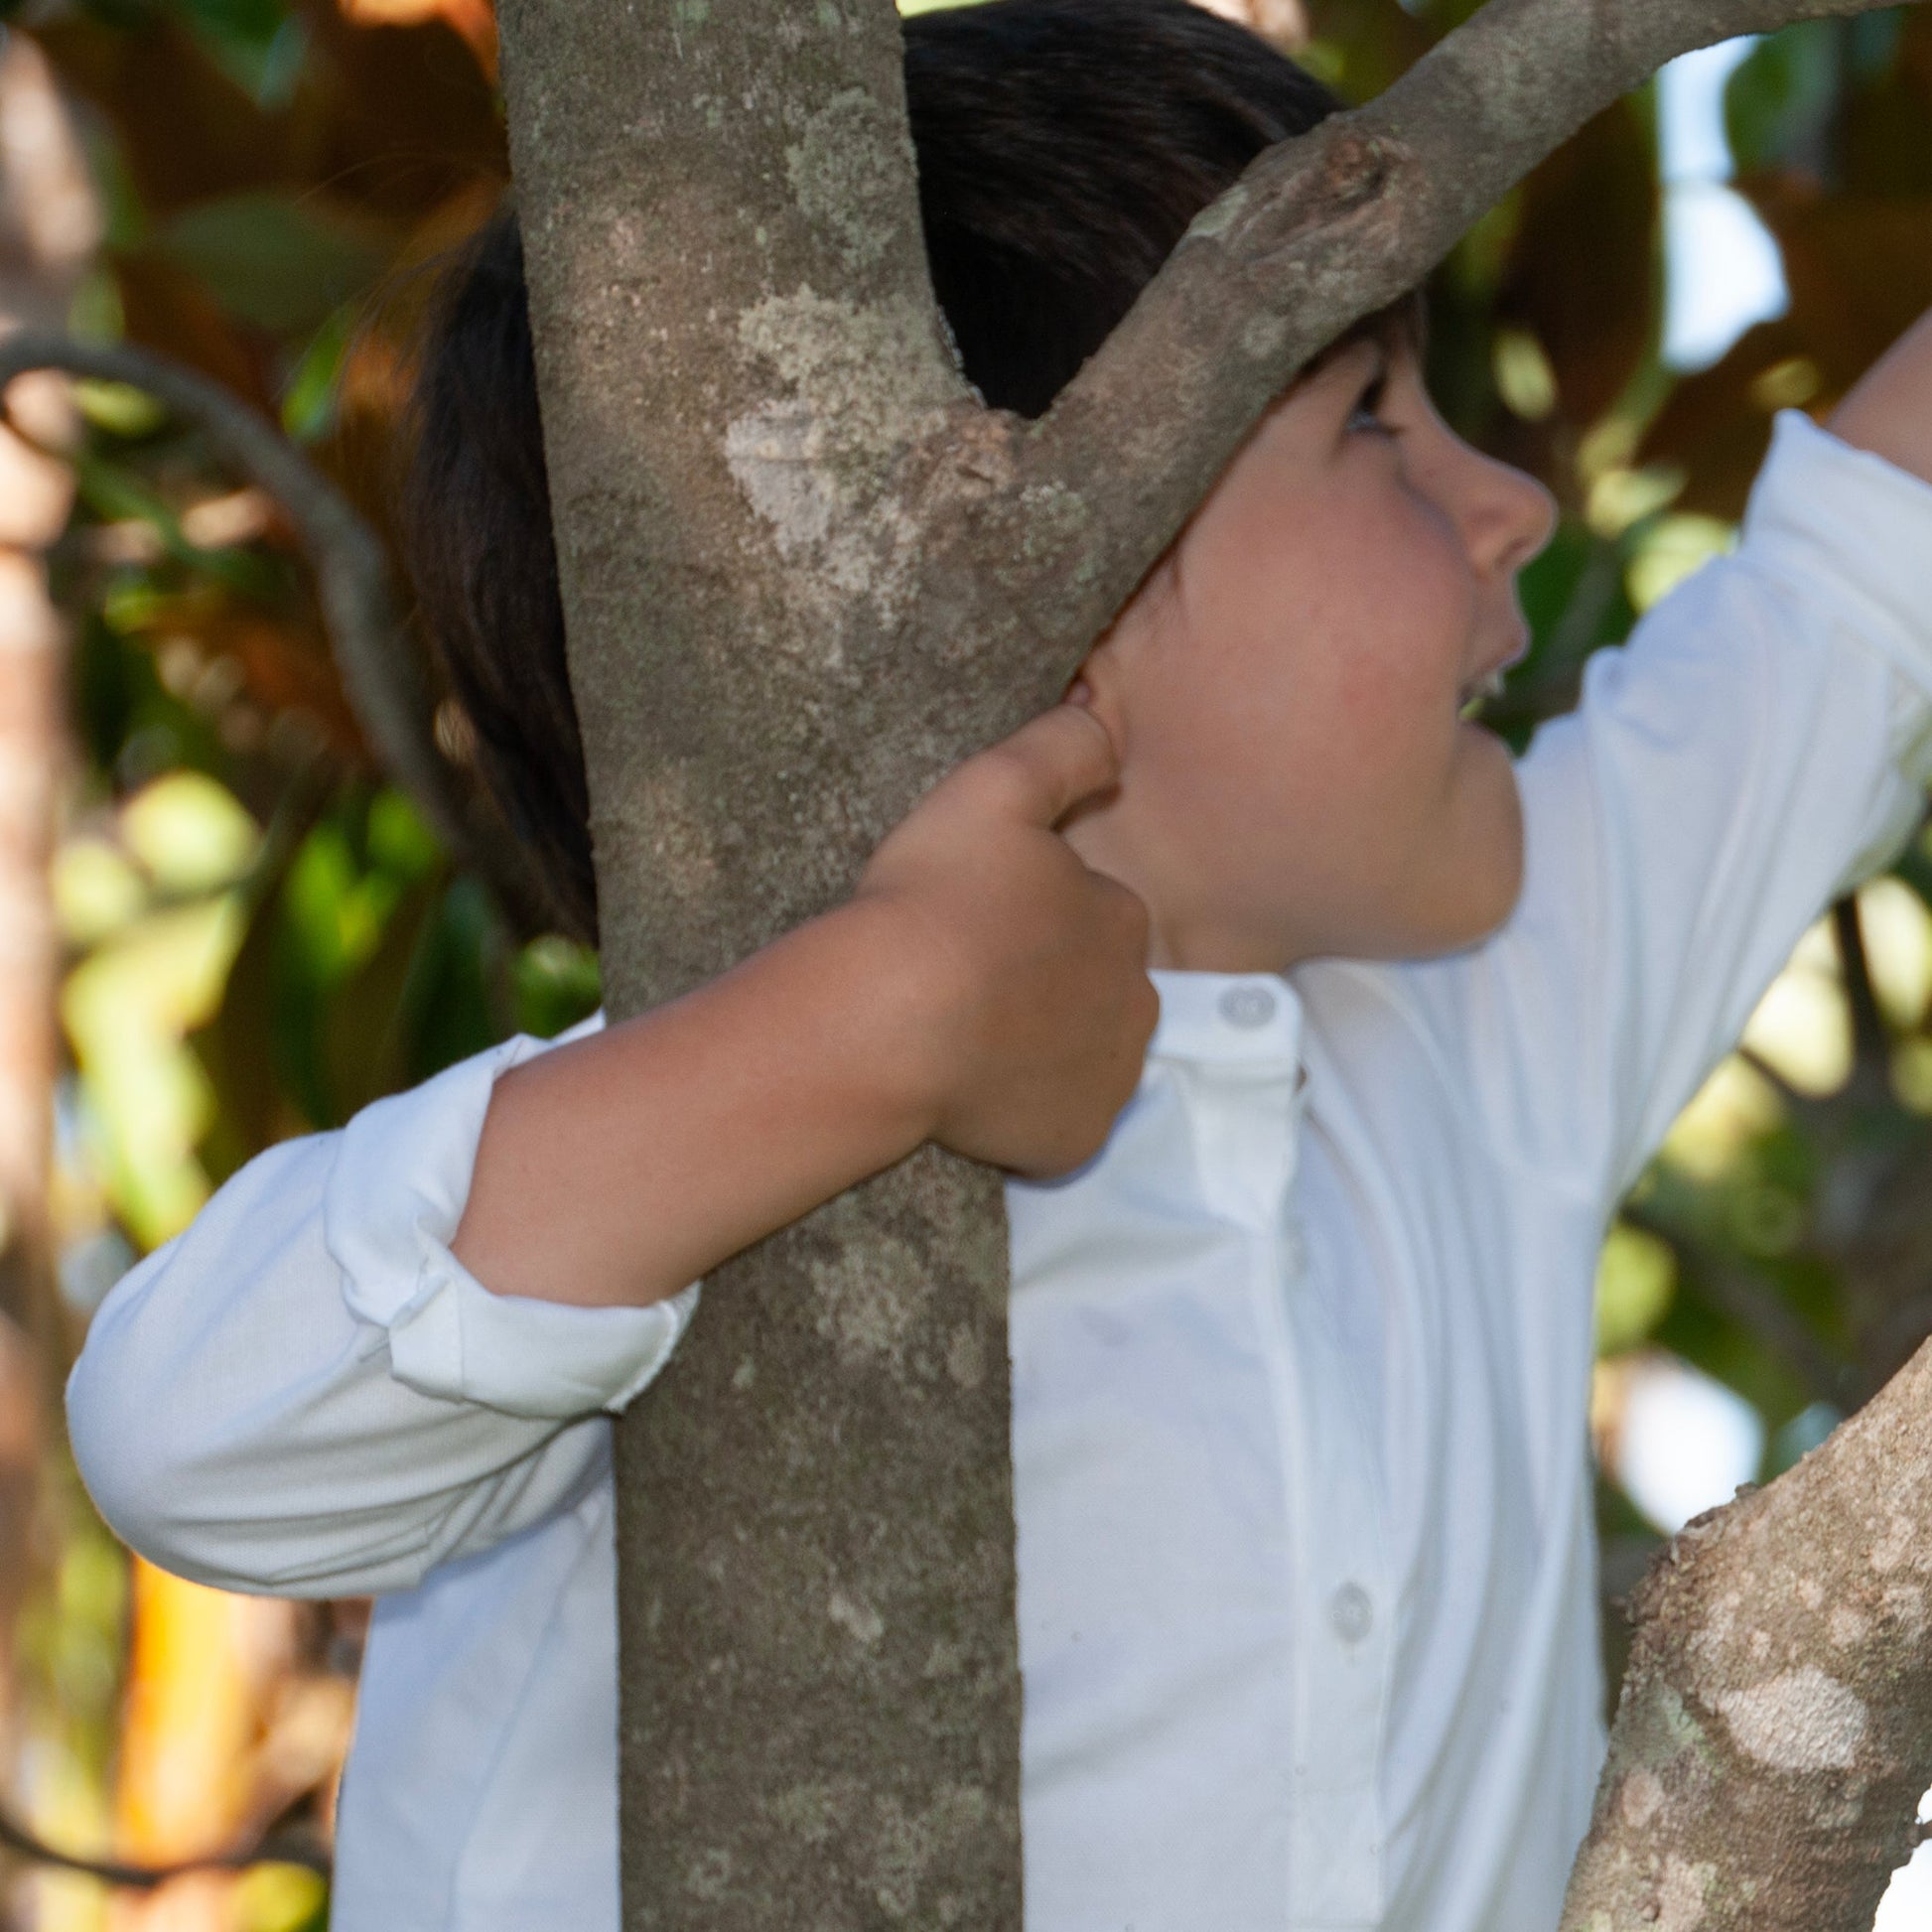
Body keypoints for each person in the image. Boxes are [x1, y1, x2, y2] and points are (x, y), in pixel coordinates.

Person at [64, 0, 1932, 1926]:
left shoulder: (1471, 1039)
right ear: (1033, 569)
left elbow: (1855, 595)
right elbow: (196, 1437)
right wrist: (884, 1025)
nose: (1513, 502)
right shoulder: (701, 1134)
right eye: (1370, 416)